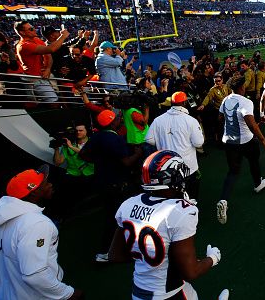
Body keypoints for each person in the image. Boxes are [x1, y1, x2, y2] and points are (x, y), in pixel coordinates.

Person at [109, 151, 227, 300]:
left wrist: (147, 256)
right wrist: (213, 258)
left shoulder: (128, 204)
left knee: (191, 293)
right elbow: (190, 272)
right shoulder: (180, 211)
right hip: (168, 293)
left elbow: (115, 256)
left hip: (139, 292)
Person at [0, 167, 83, 299]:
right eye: (45, 183)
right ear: (33, 193)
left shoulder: (2, 218)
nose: (50, 185)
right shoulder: (36, 224)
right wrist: (67, 293)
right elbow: (35, 275)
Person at [79, 110, 143, 262]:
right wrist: (138, 154)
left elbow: (83, 155)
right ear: (112, 122)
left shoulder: (96, 137)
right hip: (118, 184)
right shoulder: (115, 139)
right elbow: (127, 162)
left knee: (111, 216)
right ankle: (109, 251)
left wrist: (101, 160)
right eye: (117, 119)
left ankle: (110, 250)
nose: (119, 120)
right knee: (122, 217)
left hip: (102, 182)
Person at [216, 76, 265, 224]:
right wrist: (263, 138)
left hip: (229, 142)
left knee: (232, 171)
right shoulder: (246, 101)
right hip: (245, 140)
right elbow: (252, 124)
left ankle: (224, 200)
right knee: (253, 161)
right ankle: (258, 184)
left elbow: (220, 118)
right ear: (242, 87)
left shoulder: (226, 100)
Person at [145, 91, 205, 201]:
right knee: (190, 199)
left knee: (170, 199)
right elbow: (198, 143)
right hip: (187, 168)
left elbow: (149, 140)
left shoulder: (159, 120)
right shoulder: (191, 121)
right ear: (184, 103)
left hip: (165, 169)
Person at [15, 20, 69, 102]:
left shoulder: (36, 40)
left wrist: (48, 68)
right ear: (22, 32)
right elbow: (50, 49)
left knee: (57, 97)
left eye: (33, 28)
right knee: (52, 101)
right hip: (34, 79)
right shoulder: (24, 45)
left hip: (43, 76)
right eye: (31, 29)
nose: (34, 30)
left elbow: (48, 55)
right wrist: (63, 37)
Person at [52, 123, 95, 218]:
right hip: (73, 174)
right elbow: (58, 162)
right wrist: (56, 149)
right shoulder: (68, 145)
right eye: (77, 131)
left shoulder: (92, 142)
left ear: (87, 131)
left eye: (81, 130)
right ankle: (64, 215)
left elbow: (89, 155)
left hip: (90, 173)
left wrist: (71, 147)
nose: (78, 132)